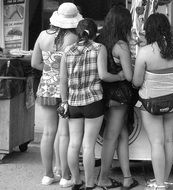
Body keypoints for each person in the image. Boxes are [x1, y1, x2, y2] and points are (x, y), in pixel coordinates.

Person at [132, 13, 173, 190]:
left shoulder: (145, 52)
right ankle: (163, 178)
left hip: (150, 103)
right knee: (168, 141)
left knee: (157, 142)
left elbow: (137, 82)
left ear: (149, 30)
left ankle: (160, 184)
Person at [31, 2, 82, 187]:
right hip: (66, 89)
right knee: (64, 134)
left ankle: (47, 174)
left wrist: (50, 69)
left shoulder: (42, 35)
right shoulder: (73, 38)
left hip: (46, 87)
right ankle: (65, 176)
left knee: (47, 133)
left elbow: (35, 63)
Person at [59, 18, 108, 190]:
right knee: (89, 145)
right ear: (95, 33)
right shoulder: (99, 48)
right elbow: (103, 75)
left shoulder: (68, 51)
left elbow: (63, 81)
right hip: (93, 101)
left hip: (73, 102)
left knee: (74, 144)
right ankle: (89, 183)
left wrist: (64, 102)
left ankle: (76, 181)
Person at [95, 5, 138, 190]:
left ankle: (127, 177)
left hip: (102, 93)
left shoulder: (100, 40)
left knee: (122, 134)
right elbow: (129, 76)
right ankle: (103, 178)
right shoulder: (121, 45)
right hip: (119, 96)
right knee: (111, 136)